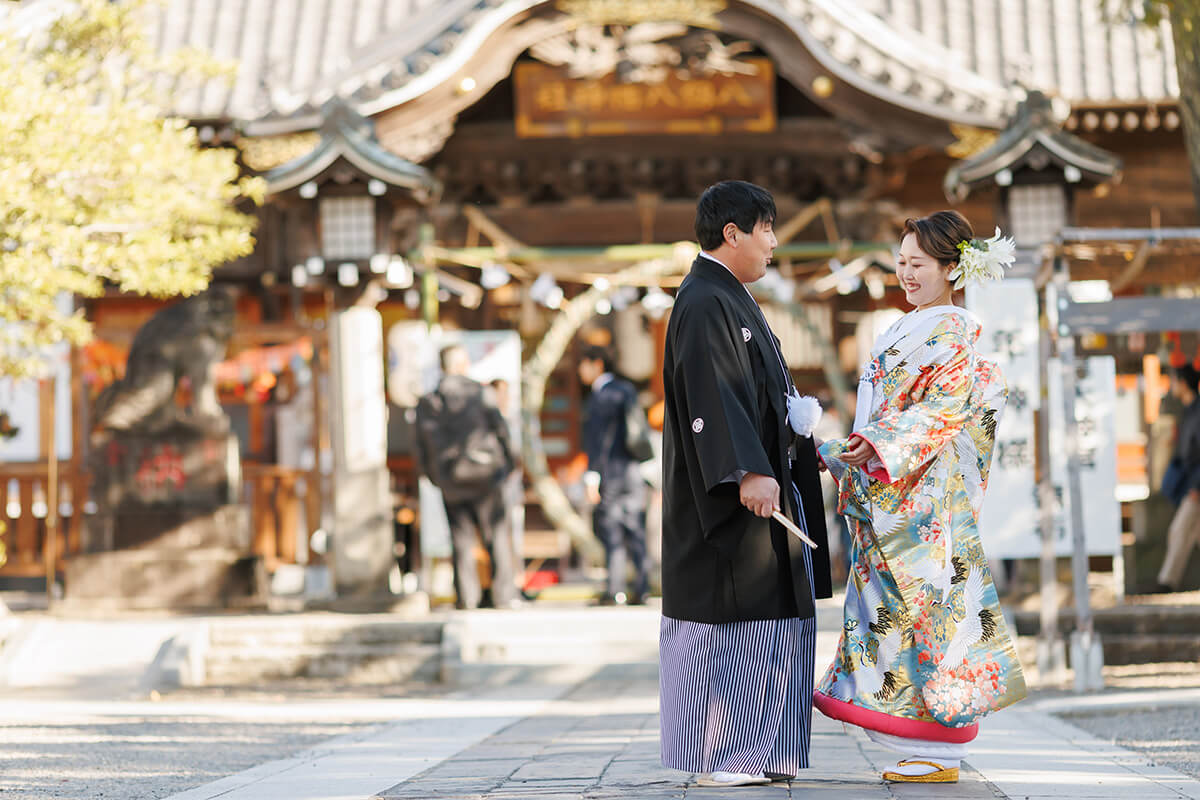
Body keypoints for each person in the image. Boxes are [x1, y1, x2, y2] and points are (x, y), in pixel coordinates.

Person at [813, 211, 1027, 783]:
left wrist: (874, 443)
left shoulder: (954, 331)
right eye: (901, 263)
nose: (905, 275)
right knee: (901, 622)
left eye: (918, 265)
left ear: (952, 268)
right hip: (897, 490)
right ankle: (927, 744)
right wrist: (852, 446)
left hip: (925, 503)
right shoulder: (913, 326)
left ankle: (944, 747)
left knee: (933, 620)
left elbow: (943, 409)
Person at [658, 180, 831, 788]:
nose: (774, 244)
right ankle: (720, 754)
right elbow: (715, 395)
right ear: (731, 233)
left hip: (756, 484)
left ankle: (759, 748)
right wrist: (748, 469)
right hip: (729, 495)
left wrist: (805, 436)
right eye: (766, 230)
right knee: (730, 611)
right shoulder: (706, 300)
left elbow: (760, 393)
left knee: (766, 614)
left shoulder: (727, 296)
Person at [415, 345, 518, 610]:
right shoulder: (480, 393)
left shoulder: (429, 402)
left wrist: (435, 478)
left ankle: (466, 598)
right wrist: (508, 465)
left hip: (451, 480)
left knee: (461, 542)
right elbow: (502, 431)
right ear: (462, 365)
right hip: (487, 477)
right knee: (495, 537)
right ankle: (503, 596)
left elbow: (420, 447)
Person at [578, 346, 650, 606]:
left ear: (597, 364)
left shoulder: (600, 397)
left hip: (610, 472)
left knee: (612, 533)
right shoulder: (627, 390)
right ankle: (642, 588)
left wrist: (592, 477)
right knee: (636, 530)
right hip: (632, 470)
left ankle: (616, 589)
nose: (580, 371)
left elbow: (599, 442)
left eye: (583, 364)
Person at [1157, 363, 1200, 591]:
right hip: (1190, 483)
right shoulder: (1189, 411)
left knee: (1180, 530)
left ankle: (1167, 581)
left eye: (1173, 380)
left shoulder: (1197, 411)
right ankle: (1167, 580)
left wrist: (1196, 486)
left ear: (1183, 383)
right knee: (1185, 531)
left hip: (1196, 486)